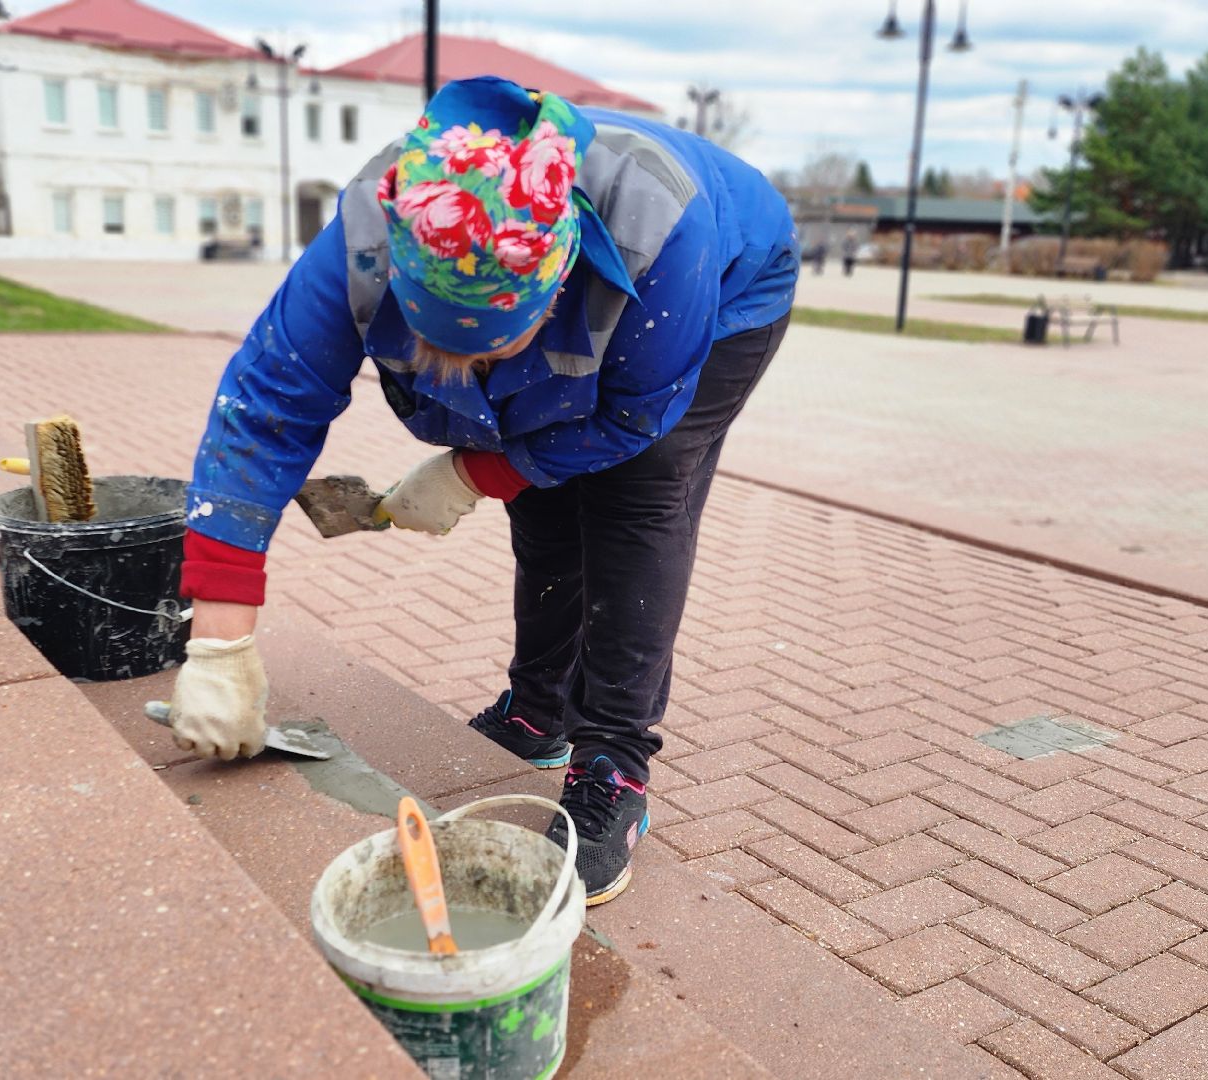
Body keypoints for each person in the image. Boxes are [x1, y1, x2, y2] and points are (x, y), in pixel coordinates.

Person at [167, 76, 797, 906]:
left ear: (563, 277)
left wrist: (470, 472)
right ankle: (539, 713)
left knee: (636, 503)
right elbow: (266, 409)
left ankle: (613, 760)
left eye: (498, 351)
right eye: (437, 345)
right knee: (541, 503)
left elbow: (633, 421)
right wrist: (219, 642)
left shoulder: (661, 242)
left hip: (733, 291)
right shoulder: (366, 232)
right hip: (585, 300)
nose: (467, 378)